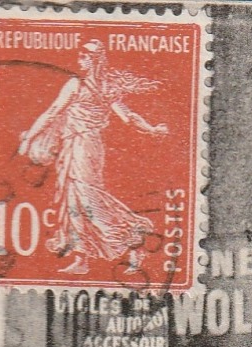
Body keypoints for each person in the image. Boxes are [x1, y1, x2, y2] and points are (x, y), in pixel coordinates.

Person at [18, 39, 169, 276]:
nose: (80, 59)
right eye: (80, 55)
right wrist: (151, 128)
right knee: (74, 201)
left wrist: (28, 139)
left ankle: (134, 236)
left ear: (94, 60)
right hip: (77, 146)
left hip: (84, 146)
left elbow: (53, 113)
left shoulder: (82, 86)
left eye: (85, 56)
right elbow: (54, 112)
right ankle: (83, 258)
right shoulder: (99, 86)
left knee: (88, 199)